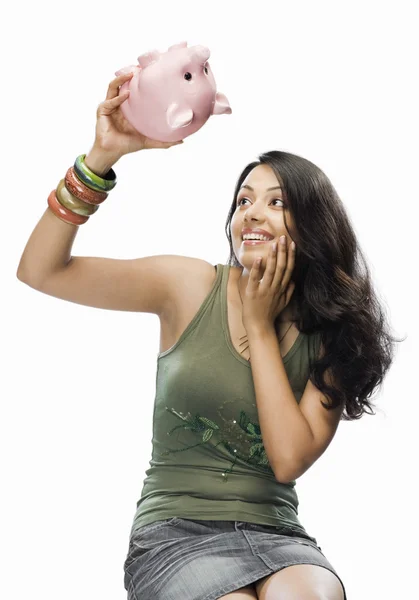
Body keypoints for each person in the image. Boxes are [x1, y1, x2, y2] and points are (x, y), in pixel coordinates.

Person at [17, 72, 400, 600]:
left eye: (276, 202)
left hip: (279, 538)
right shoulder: (189, 286)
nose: (252, 214)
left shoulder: (335, 335)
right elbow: (41, 271)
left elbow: (288, 459)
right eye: (244, 201)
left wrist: (261, 326)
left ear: (313, 226)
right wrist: (100, 159)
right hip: (174, 534)